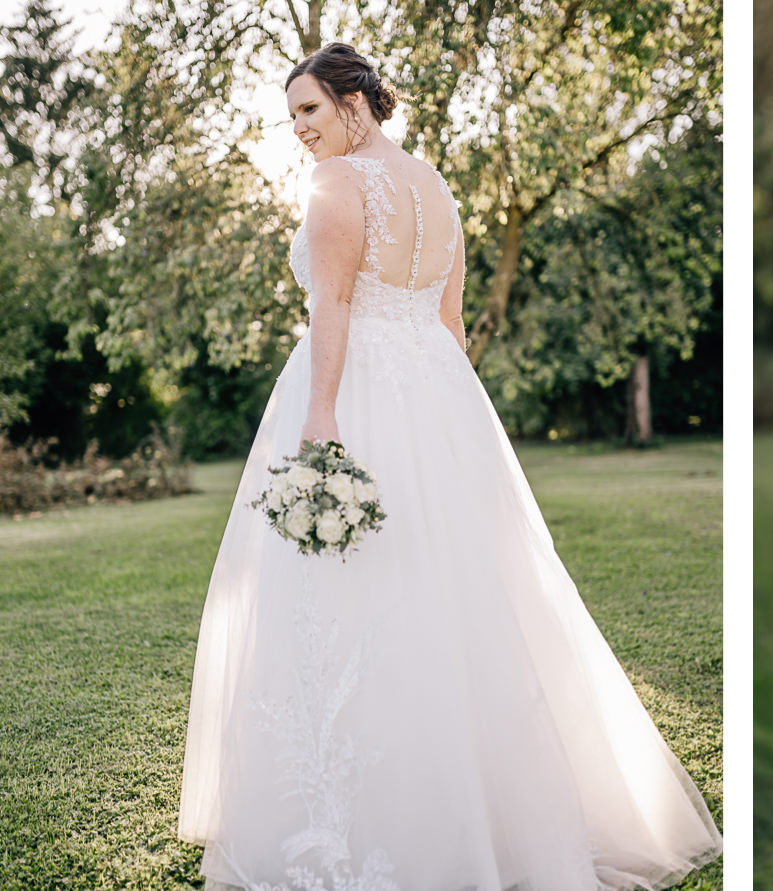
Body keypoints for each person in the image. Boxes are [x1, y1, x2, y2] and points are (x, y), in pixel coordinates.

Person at [177, 43, 722, 890]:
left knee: (349, 593)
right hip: (437, 395)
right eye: (291, 118)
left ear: (356, 102)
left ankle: (364, 819)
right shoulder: (435, 186)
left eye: (311, 110)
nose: (299, 131)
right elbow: (451, 324)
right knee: (458, 592)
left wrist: (321, 418)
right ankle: (479, 808)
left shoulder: (336, 185)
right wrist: (451, 426)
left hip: (354, 390)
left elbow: (335, 306)